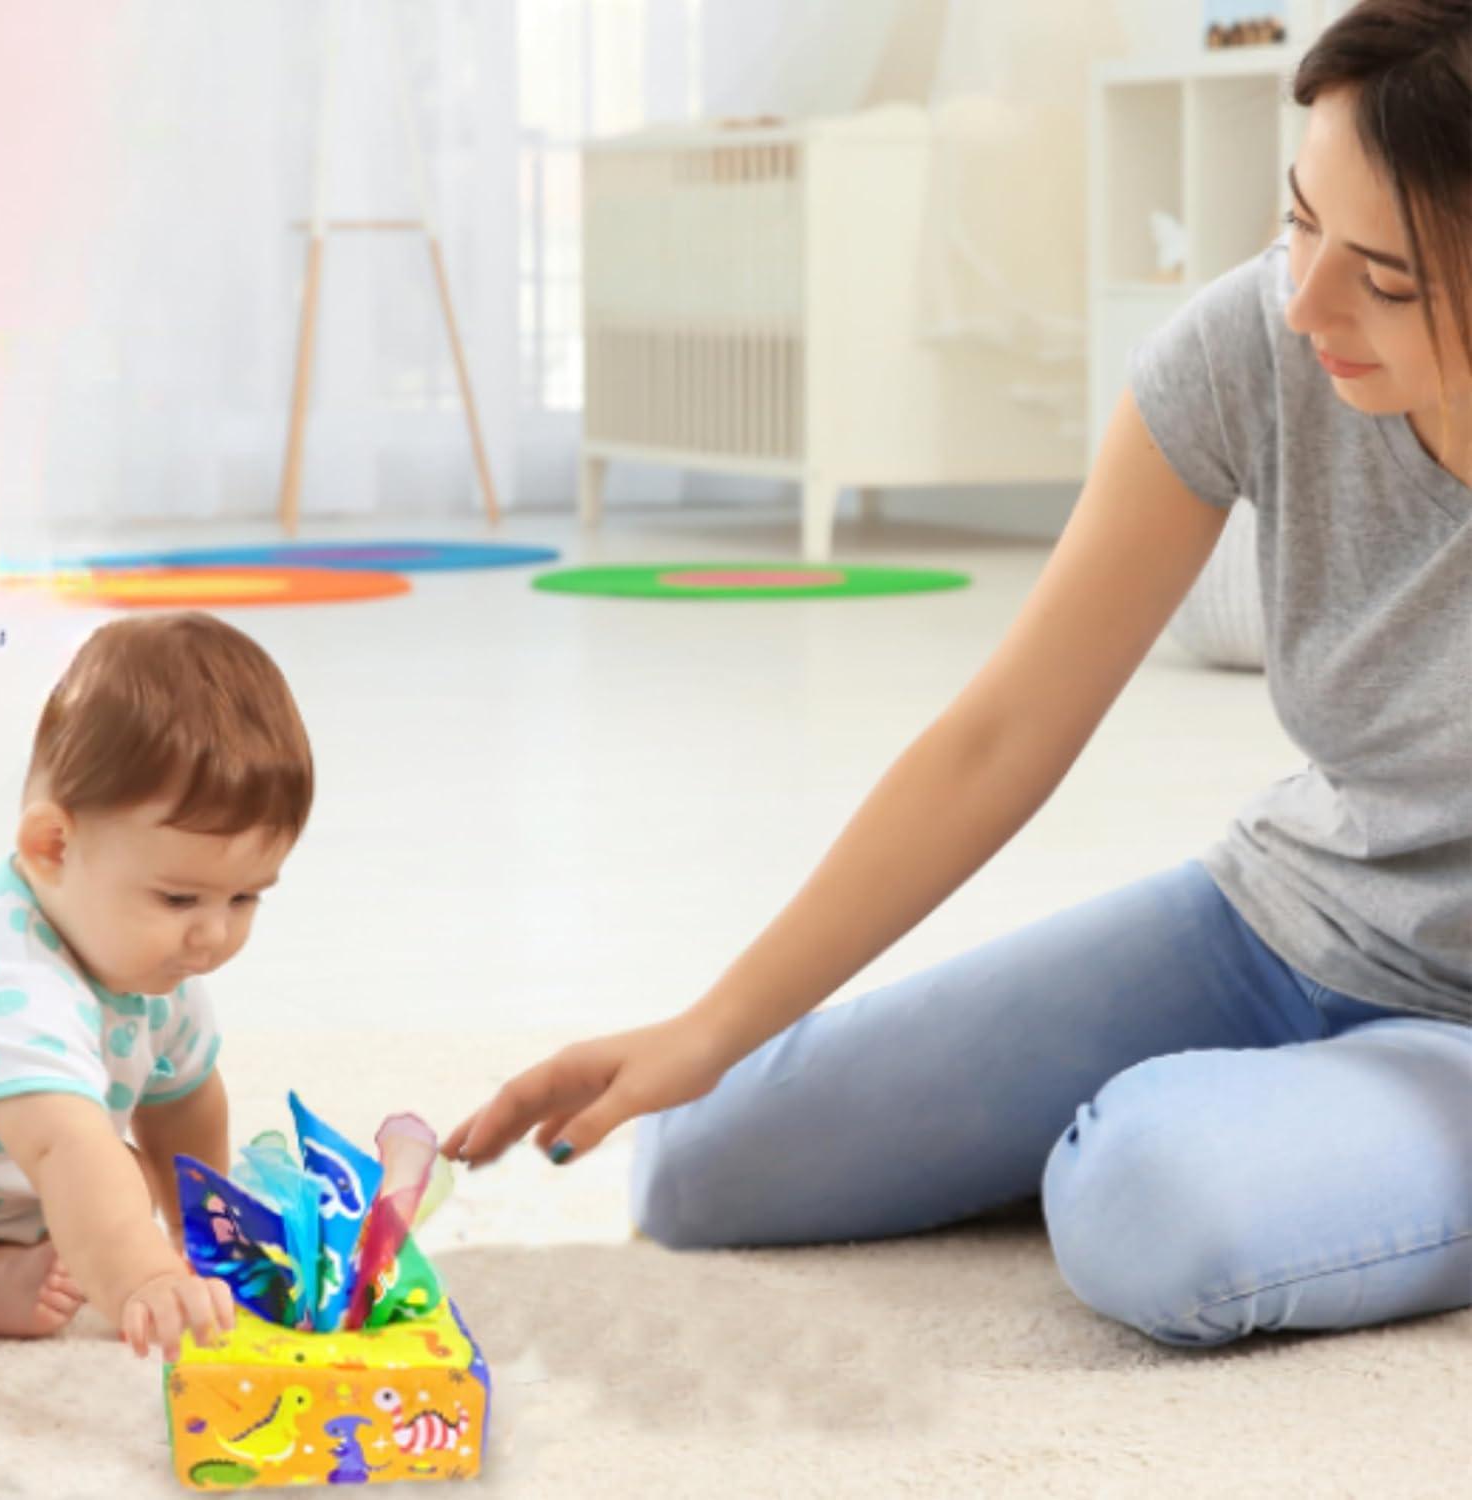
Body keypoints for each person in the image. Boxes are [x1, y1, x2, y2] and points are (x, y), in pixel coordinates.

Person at [442, 0, 1472, 1346]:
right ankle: (1297, 1141)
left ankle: (1293, 1152)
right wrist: (713, 1025)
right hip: (1282, 921)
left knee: (1151, 1206)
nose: (1306, 300)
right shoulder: (1254, 345)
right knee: (703, 1163)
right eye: (1299, 220)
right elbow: (1002, 734)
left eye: (1386, 279)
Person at [0, 612, 313, 1358]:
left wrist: (203, 1235)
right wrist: (145, 1278)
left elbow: (184, 1103)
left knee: (116, 1179)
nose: (213, 934)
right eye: (180, 899)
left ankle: (4, 1262)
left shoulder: (149, 965)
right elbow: (63, 1146)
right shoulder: (7, 980)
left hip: (7, 1198)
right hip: (29, 1169)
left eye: (244, 897)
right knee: (98, 1173)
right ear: (53, 846)